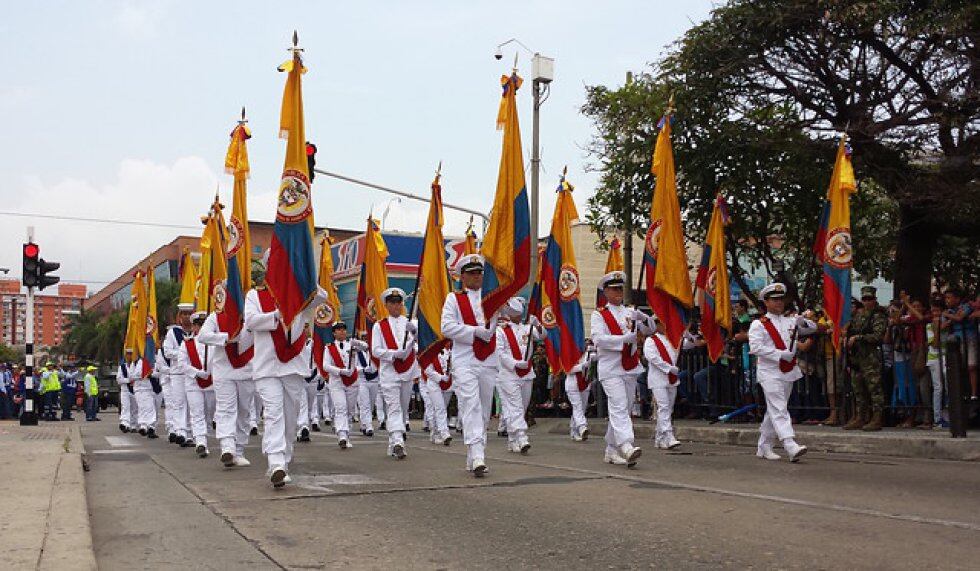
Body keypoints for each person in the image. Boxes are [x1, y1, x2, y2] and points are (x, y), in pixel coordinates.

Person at [243, 262, 326, 488]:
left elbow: (322, 295)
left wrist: (304, 276)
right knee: (274, 413)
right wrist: (278, 314)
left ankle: (284, 460)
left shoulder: (301, 294)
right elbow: (250, 321)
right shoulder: (255, 296)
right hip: (267, 366)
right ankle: (276, 462)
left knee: (290, 418)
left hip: (293, 366)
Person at [441, 254, 499, 477]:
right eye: (472, 273)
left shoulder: (492, 297)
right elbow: (446, 327)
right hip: (465, 359)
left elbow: (514, 311)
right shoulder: (453, 299)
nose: (477, 277)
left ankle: (475, 453)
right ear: (462, 276)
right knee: (471, 404)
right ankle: (477, 455)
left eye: (479, 273)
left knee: (484, 409)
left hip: (488, 360)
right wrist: (475, 331)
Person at [590, 270, 652, 467]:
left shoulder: (630, 312)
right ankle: (626, 445)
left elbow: (650, 330)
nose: (618, 292)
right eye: (614, 289)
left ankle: (610, 450)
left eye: (620, 288)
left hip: (630, 366)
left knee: (623, 408)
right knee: (618, 406)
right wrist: (624, 339)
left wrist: (643, 318)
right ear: (605, 291)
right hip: (610, 367)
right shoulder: (599, 315)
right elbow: (598, 339)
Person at [749, 282, 815, 462]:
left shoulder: (790, 320)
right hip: (770, 371)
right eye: (774, 300)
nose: (778, 303)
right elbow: (755, 347)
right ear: (766, 302)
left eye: (780, 299)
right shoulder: (759, 324)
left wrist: (804, 320)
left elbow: (812, 328)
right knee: (779, 407)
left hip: (788, 371)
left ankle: (764, 445)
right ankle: (790, 444)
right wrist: (779, 354)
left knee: (775, 409)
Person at [197, 307, 256, 468]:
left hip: (247, 369)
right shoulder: (215, 317)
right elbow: (202, 336)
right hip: (223, 369)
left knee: (243, 411)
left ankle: (239, 450)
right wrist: (226, 337)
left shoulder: (251, 313)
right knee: (225, 409)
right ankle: (227, 448)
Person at [371, 287, 418, 460]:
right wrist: (393, 354)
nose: (396, 306)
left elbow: (420, 345)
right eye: (392, 303)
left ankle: (393, 441)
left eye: (399, 303)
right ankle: (398, 441)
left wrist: (415, 332)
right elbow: (375, 350)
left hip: (407, 371)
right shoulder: (379, 325)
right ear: (386, 305)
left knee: (403, 408)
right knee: (394, 407)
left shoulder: (412, 322)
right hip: (389, 372)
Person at [495, 296, 543, 454]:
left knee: (520, 408)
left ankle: (512, 439)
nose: (519, 315)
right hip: (509, 374)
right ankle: (522, 437)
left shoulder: (528, 328)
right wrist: (515, 363)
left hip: (527, 373)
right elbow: (500, 354)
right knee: (515, 407)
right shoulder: (501, 330)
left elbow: (543, 336)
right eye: (516, 312)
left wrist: (539, 325)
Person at [843, 286, 888, 431]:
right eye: (864, 299)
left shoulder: (878, 315)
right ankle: (860, 416)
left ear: (874, 299)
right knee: (858, 388)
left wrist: (858, 338)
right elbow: (852, 331)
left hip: (871, 357)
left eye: (869, 299)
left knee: (874, 388)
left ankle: (877, 418)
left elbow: (877, 336)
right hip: (858, 357)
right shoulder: (859, 316)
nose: (867, 302)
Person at [322, 321, 368, 450]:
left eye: (343, 329)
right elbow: (325, 365)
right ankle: (342, 434)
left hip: (352, 381)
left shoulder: (351, 344)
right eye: (338, 329)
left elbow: (366, 348)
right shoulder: (329, 347)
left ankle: (347, 435)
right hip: (337, 381)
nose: (342, 331)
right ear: (334, 332)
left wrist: (357, 343)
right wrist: (341, 371)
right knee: (340, 407)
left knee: (350, 410)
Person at [180, 312, 216, 457]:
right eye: (198, 325)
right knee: (197, 413)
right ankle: (201, 442)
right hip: (193, 384)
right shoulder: (186, 344)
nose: (201, 328)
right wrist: (197, 373)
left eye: (203, 325)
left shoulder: (213, 343)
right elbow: (182, 364)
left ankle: (204, 437)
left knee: (209, 413)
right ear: (194, 327)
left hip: (211, 384)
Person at [644, 316, 683, 450]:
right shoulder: (650, 340)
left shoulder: (673, 340)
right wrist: (668, 368)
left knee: (668, 408)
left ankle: (660, 438)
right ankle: (669, 435)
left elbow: (686, 345)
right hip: (658, 378)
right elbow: (652, 357)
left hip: (671, 378)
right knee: (664, 407)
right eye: (661, 323)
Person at [163, 305, 191, 445]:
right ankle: (180, 431)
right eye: (184, 314)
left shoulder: (197, 331)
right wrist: (184, 354)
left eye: (189, 313)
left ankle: (191, 433)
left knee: (192, 403)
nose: (186, 316)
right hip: (178, 373)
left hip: (192, 373)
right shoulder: (173, 333)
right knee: (179, 402)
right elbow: (167, 352)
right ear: (180, 316)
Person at [943, 288, 978, 400]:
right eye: (946, 298)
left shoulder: (966, 306)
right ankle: (962, 392)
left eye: (949, 298)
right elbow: (944, 324)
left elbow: (959, 317)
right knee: (960, 366)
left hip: (969, 338)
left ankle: (973, 394)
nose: (947, 300)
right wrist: (949, 317)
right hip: (957, 341)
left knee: (971, 366)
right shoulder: (950, 311)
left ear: (957, 298)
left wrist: (949, 316)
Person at [422, 345, 453, 446]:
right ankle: (444, 433)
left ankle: (435, 433)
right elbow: (427, 370)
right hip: (434, 383)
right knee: (440, 408)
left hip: (447, 384)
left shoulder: (452, 351)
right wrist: (440, 377)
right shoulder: (430, 351)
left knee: (442, 408)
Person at [564, 342, 595, 441]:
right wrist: (582, 366)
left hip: (585, 384)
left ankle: (574, 431)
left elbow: (596, 360)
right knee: (577, 407)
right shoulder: (569, 354)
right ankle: (582, 427)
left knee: (581, 409)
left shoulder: (589, 355)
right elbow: (567, 370)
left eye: (587, 343)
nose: (585, 345)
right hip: (572, 384)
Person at [130, 350, 159, 438]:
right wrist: (142, 374)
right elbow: (131, 376)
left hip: (152, 388)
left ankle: (151, 427)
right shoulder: (134, 363)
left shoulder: (154, 360)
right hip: (140, 389)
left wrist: (151, 374)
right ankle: (144, 426)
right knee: (143, 407)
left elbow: (159, 372)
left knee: (153, 408)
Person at [356, 346, 379, 436]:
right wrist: (362, 369)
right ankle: (369, 426)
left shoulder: (375, 351)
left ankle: (364, 423)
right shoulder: (358, 352)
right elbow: (353, 366)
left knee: (371, 404)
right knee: (365, 404)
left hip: (375, 380)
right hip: (362, 380)